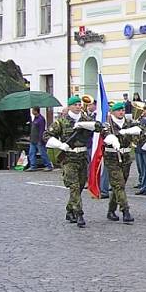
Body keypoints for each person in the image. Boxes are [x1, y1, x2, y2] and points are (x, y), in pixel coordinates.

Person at [45, 95, 101, 227]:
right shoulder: (61, 121)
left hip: (82, 156)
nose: (78, 106)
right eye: (75, 104)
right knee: (74, 186)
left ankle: (69, 210)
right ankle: (79, 213)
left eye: (79, 104)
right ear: (69, 106)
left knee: (80, 185)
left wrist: (84, 124)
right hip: (69, 157)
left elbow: (98, 127)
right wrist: (60, 145)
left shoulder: (85, 118)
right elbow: (47, 136)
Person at [101, 100, 143, 224]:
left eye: (123, 110)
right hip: (112, 156)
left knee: (119, 185)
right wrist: (113, 139)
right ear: (112, 112)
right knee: (119, 184)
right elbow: (106, 135)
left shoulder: (129, 123)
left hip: (126, 156)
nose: (121, 112)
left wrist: (134, 131)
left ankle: (111, 210)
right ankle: (125, 211)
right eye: (119, 110)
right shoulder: (107, 124)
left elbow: (140, 131)